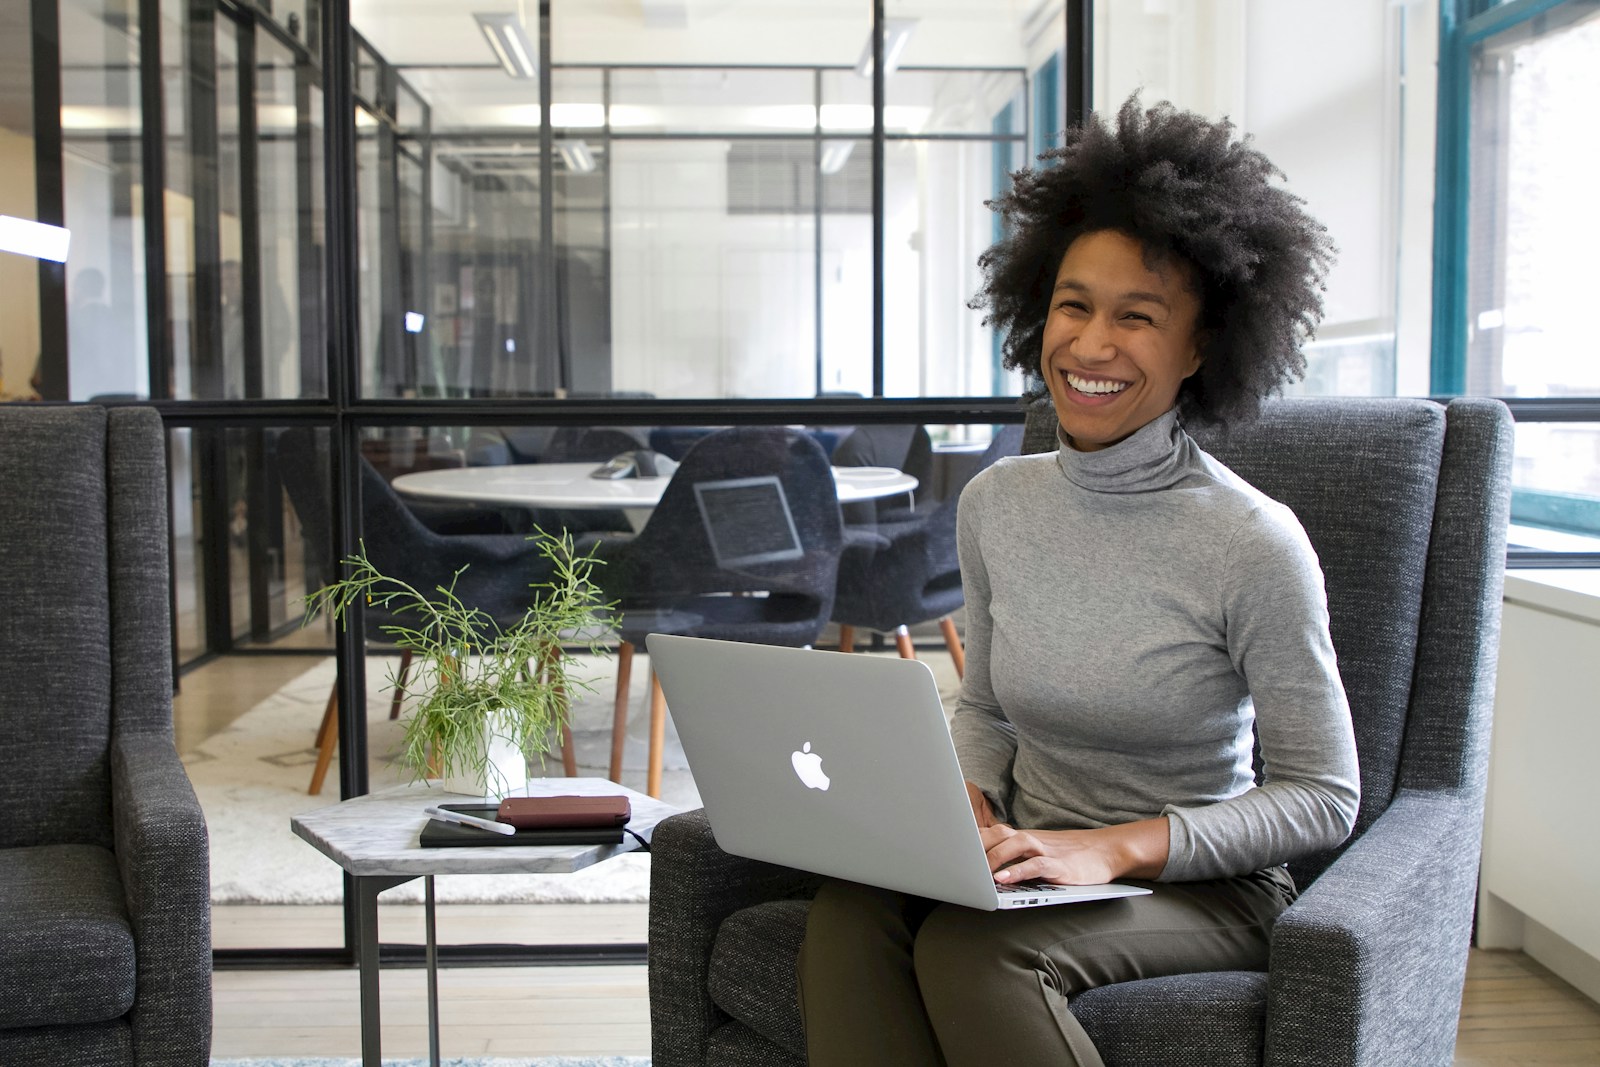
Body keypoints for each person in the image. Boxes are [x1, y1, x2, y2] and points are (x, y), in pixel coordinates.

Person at [796, 96, 1361, 1067]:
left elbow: (1321, 795)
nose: (1091, 345)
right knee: (852, 913)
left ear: (1200, 347)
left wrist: (1110, 847)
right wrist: (966, 794)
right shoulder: (997, 502)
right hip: (1030, 852)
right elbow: (986, 706)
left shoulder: (1251, 541)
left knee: (976, 952)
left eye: (1137, 316)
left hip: (1199, 885)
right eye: (1073, 303)